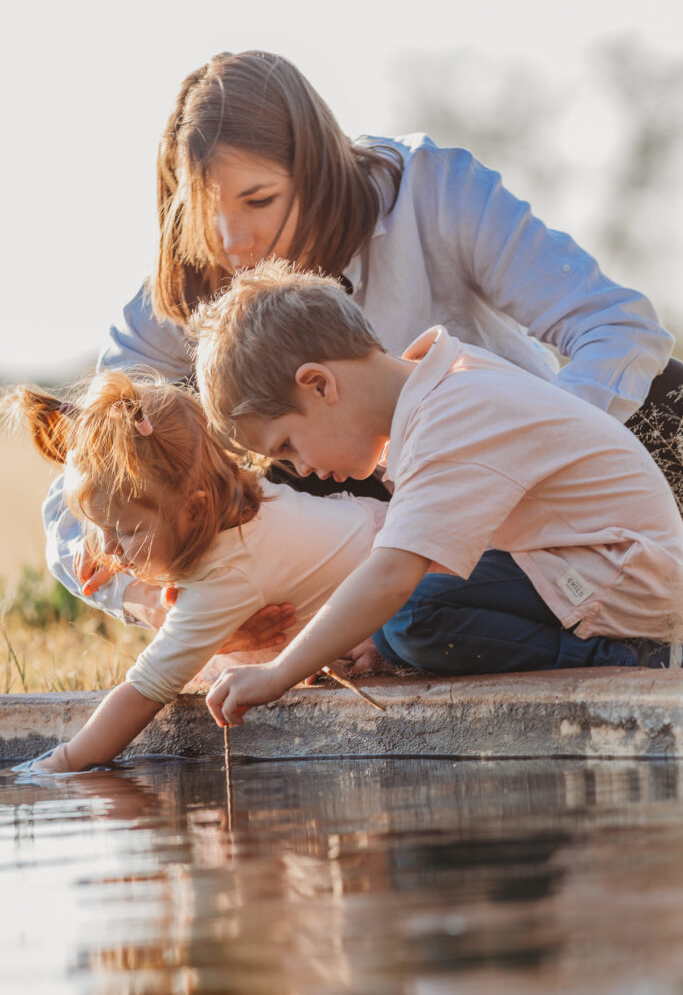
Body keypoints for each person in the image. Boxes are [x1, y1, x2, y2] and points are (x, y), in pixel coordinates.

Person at [42, 50, 682, 636]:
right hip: (352, 510)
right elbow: (80, 482)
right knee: (287, 465)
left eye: (260, 200)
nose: (234, 242)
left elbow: (618, 326)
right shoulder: (186, 284)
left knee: (671, 398)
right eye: (208, 215)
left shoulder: (434, 189)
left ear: (315, 172)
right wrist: (163, 605)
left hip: (517, 482)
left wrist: (522, 463)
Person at [188, 261, 683, 727]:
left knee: (410, 617)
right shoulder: (443, 388)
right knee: (396, 625)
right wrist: (375, 637)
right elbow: (445, 558)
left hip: (622, 577)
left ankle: (627, 660)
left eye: (289, 446)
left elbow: (392, 577)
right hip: (582, 566)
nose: (304, 469)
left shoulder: (452, 417)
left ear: (319, 384)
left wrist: (279, 672)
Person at [5, 371, 387, 772]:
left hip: (403, 584)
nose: (108, 550)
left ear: (195, 509)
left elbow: (144, 690)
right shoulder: (242, 495)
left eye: (127, 531)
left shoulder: (227, 577)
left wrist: (55, 765)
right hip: (373, 529)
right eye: (99, 529)